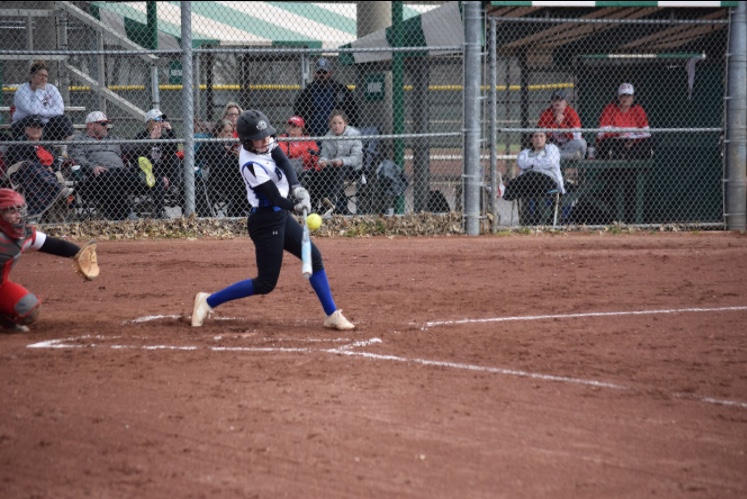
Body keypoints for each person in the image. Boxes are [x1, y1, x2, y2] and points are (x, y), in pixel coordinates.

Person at [191, 109, 354, 331]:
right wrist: (297, 206)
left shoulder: (267, 143)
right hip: (265, 223)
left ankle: (331, 314)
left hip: (281, 216)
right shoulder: (249, 164)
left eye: (266, 136)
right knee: (266, 283)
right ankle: (208, 301)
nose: (265, 141)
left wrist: (296, 188)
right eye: (259, 139)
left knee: (314, 258)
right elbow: (274, 197)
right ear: (247, 142)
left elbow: (285, 163)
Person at [0, 188, 94, 333]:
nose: (18, 216)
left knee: (28, 308)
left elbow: (53, 245)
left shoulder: (22, 234)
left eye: (19, 210)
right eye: (12, 212)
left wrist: (79, 254)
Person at [69, 111, 158, 220]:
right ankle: (125, 214)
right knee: (114, 176)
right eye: (103, 124)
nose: (106, 126)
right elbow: (78, 158)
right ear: (90, 125)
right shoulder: (79, 140)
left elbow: (135, 147)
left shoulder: (113, 139)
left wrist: (151, 138)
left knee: (123, 175)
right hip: (94, 178)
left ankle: (153, 212)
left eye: (107, 123)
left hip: (120, 176)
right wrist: (93, 167)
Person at [3, 115, 72, 218]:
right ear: (25, 128)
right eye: (33, 126)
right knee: (29, 165)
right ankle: (59, 190)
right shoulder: (17, 145)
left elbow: (56, 163)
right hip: (25, 176)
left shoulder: (46, 145)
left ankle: (58, 193)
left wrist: (56, 167)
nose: (36, 129)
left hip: (46, 177)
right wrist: (42, 167)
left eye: (39, 127)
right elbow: (18, 163)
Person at [293, 58, 360, 141]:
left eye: (324, 72)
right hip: (314, 134)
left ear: (330, 73)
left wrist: (347, 129)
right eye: (318, 72)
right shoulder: (307, 91)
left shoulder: (340, 89)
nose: (321, 75)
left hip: (336, 133)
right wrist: (305, 129)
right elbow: (298, 110)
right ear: (314, 73)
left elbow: (352, 110)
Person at [500, 131, 564, 216]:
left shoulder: (551, 148)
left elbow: (551, 162)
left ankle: (505, 189)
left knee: (531, 175)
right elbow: (521, 163)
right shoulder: (525, 152)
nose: (539, 139)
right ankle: (506, 190)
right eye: (536, 136)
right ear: (532, 139)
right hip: (530, 184)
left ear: (545, 139)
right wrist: (539, 163)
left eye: (541, 136)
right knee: (530, 176)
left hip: (549, 181)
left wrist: (531, 164)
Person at [11, 60, 74, 144]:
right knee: (33, 119)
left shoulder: (51, 88)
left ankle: (71, 145)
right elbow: (33, 112)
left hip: (46, 125)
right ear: (32, 77)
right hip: (25, 126)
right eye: (40, 75)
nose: (44, 78)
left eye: (46, 76)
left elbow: (59, 110)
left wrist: (39, 112)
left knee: (62, 119)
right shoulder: (21, 91)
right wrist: (40, 91)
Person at [195, 119, 248, 217]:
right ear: (218, 132)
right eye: (226, 131)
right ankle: (240, 210)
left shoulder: (232, 146)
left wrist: (237, 155)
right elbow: (219, 166)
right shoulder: (211, 144)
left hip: (232, 181)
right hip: (216, 181)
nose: (229, 134)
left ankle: (239, 211)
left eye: (231, 132)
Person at [315, 110, 362, 214]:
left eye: (340, 123)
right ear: (330, 124)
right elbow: (324, 155)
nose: (337, 126)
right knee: (321, 172)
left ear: (345, 123)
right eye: (334, 123)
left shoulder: (354, 134)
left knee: (341, 169)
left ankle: (331, 201)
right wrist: (322, 161)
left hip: (352, 168)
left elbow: (357, 157)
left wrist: (342, 161)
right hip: (333, 167)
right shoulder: (328, 136)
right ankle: (319, 205)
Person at [129, 109, 176, 213]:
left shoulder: (163, 137)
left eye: (162, 120)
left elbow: (174, 149)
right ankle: (160, 212)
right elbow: (137, 158)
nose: (161, 122)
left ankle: (173, 185)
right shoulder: (141, 136)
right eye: (158, 120)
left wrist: (170, 130)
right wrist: (151, 138)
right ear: (150, 122)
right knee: (147, 164)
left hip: (162, 172)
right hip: (145, 173)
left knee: (174, 157)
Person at [595, 82, 652, 160]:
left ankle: (627, 156)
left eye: (628, 96)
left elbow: (646, 132)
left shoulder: (638, 110)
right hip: (616, 142)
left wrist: (634, 139)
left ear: (633, 98)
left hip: (634, 143)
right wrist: (619, 134)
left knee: (650, 141)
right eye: (623, 95)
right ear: (618, 98)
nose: (625, 98)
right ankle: (625, 157)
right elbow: (601, 133)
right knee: (607, 143)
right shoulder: (610, 108)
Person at [536, 89, 587, 161]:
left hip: (568, 145)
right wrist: (555, 124)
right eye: (554, 100)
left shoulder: (571, 113)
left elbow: (577, 136)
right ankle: (569, 156)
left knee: (582, 143)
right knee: (544, 147)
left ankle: (556, 157)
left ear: (565, 102)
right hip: (553, 145)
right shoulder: (547, 113)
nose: (557, 102)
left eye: (560, 100)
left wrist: (562, 125)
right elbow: (541, 134)